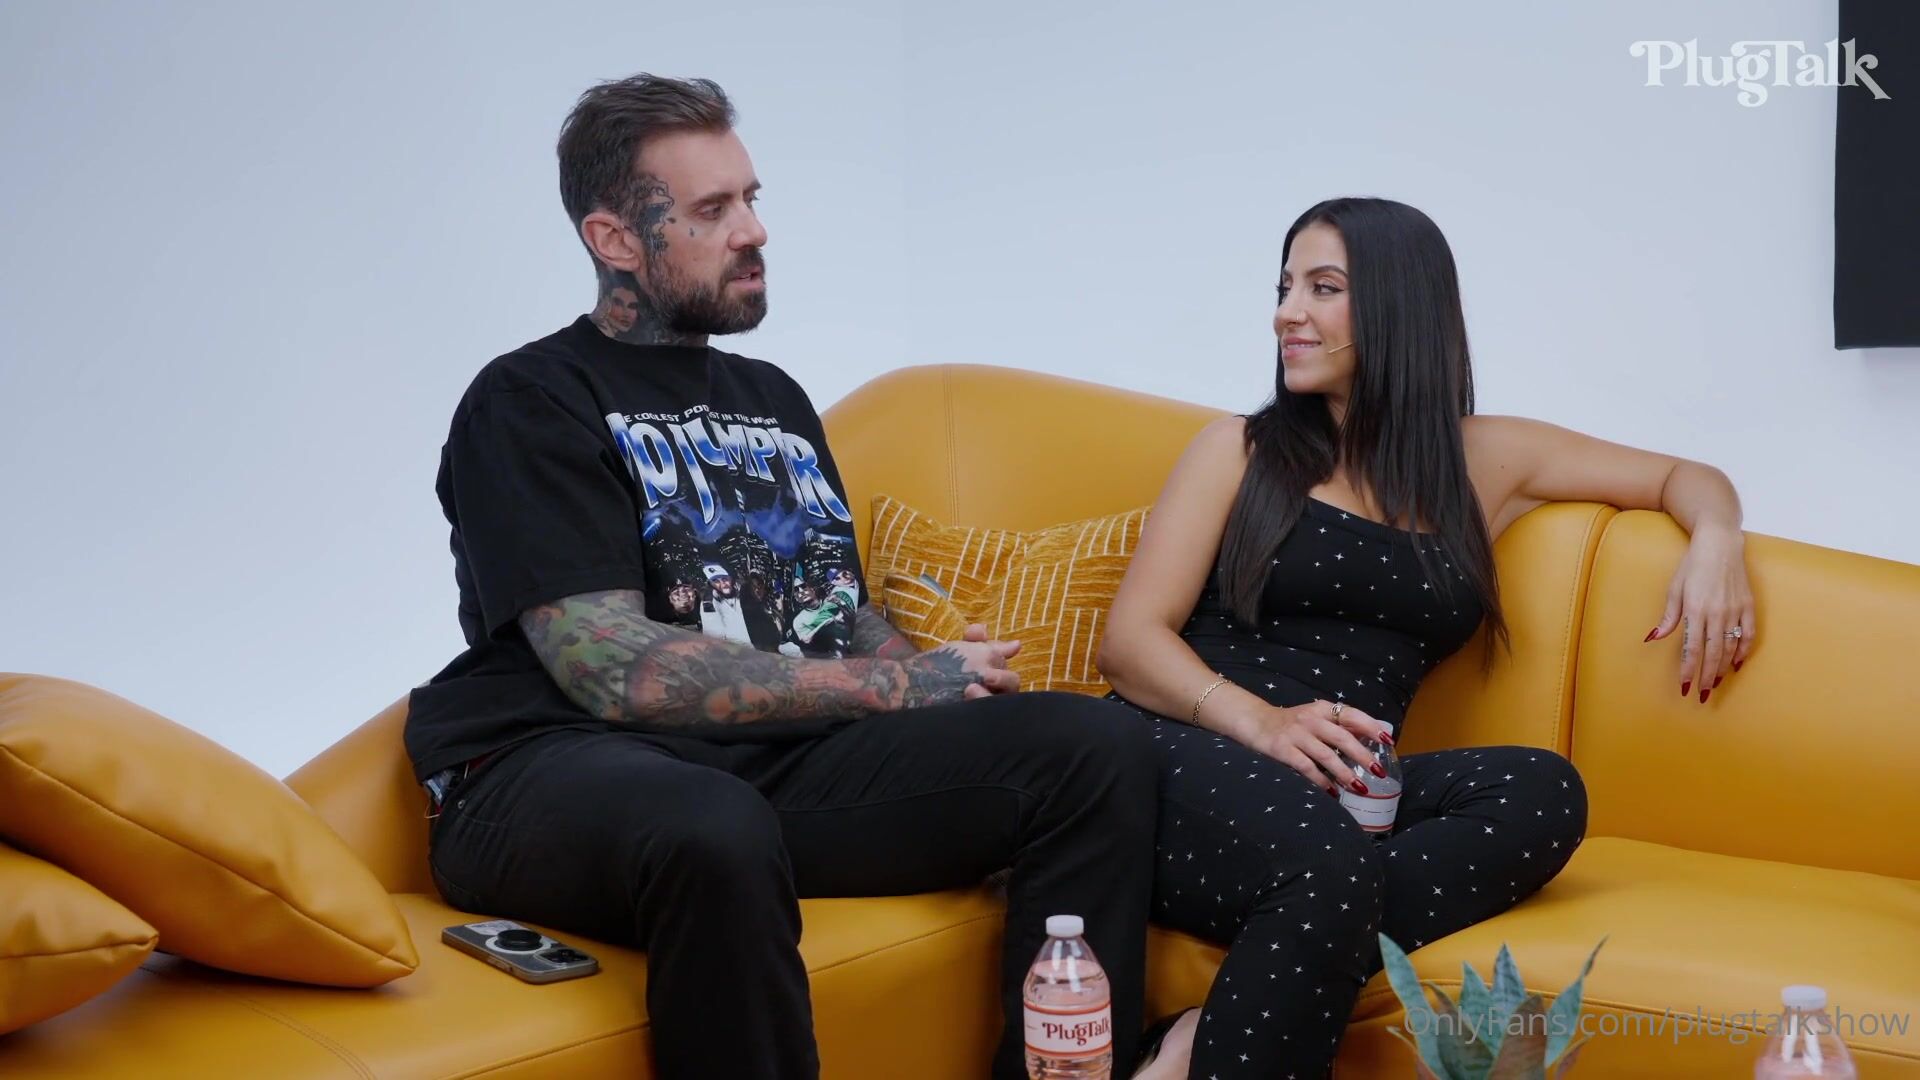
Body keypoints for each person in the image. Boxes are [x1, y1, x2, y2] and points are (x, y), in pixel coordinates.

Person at [405, 74, 1157, 1080]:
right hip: (547, 769)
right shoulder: (530, 398)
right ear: (614, 239)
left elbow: (833, 612)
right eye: (713, 209)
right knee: (713, 827)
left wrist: (939, 676)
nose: (754, 231)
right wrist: (895, 689)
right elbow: (612, 670)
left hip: (771, 764)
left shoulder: (772, 399)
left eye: (752, 199)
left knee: (1094, 748)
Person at [1098, 197, 1758, 1078]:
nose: (1287, 312)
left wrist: (1717, 538)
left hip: (1339, 792)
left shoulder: (1486, 461)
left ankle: (1206, 1024)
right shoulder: (1240, 450)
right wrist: (1265, 724)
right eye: (1285, 287)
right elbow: (1130, 643)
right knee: (1328, 864)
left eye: (1322, 288)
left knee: (1542, 791)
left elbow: (1683, 475)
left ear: (1398, 305)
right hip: (1188, 758)